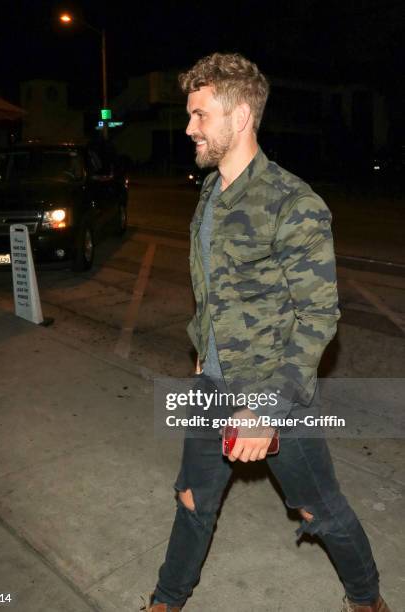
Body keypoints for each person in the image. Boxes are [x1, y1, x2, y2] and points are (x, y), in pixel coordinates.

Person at [144, 54, 389, 612]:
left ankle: (368, 599)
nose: (188, 128)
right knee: (190, 499)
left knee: (317, 509)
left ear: (241, 116)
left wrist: (266, 409)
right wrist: (203, 358)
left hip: (273, 391)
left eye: (200, 115)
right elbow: (211, 295)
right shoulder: (210, 193)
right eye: (190, 115)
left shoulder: (293, 205)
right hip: (211, 385)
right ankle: (165, 600)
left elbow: (319, 317)